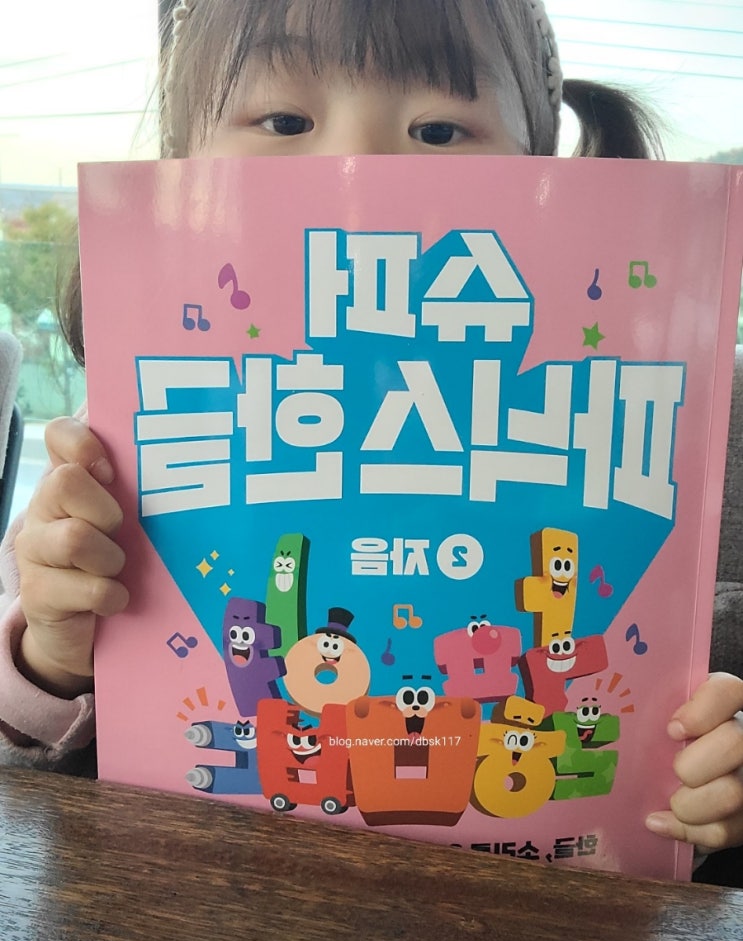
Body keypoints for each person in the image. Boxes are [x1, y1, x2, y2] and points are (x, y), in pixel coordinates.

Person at [2, 0, 743, 868]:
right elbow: (25, 780)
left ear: (541, 173)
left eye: (438, 129)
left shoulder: (640, 428)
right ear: (182, 167)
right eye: (284, 120)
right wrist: (51, 656)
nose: (358, 165)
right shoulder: (116, 458)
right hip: (216, 896)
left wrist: (706, 774)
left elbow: (662, 753)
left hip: (528, 897)